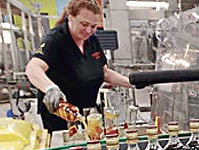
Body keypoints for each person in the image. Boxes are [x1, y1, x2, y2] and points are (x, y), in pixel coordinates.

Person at [25, 0, 131, 132]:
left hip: (86, 112)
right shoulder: (56, 39)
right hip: (61, 117)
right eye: (84, 24)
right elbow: (33, 67)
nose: (88, 30)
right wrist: (50, 88)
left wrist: (130, 82)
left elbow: (104, 72)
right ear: (70, 17)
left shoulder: (92, 40)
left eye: (93, 26)